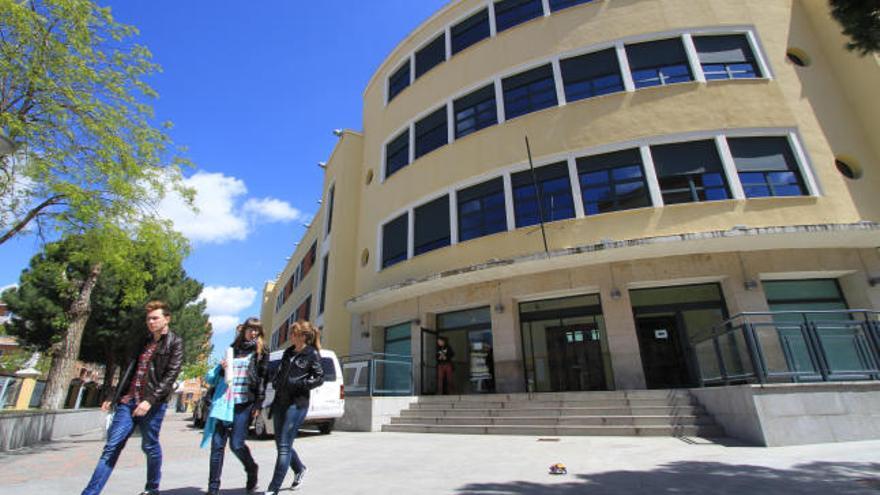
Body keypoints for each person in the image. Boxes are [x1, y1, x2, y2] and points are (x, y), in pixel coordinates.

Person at [82, 300, 184, 495]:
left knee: (150, 446)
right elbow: (129, 370)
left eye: (155, 318)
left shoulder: (175, 342)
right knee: (111, 447)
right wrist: (114, 395)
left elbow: (171, 375)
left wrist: (150, 400)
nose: (151, 322)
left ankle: (152, 487)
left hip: (153, 405)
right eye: (148, 319)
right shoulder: (142, 342)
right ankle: (89, 493)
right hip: (128, 402)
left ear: (167, 319)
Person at [201, 317, 268, 494]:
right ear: (244, 330)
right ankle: (213, 488)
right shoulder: (232, 349)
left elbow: (262, 379)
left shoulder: (261, 352)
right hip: (224, 401)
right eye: (250, 329)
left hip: (244, 403)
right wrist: (223, 367)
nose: (253, 333)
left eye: (257, 330)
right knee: (217, 446)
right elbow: (222, 376)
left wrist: (258, 403)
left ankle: (251, 469)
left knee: (237, 444)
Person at [266, 321, 324, 494]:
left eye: (294, 334)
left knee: (284, 445)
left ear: (303, 336)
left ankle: (273, 488)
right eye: (291, 333)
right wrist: (277, 381)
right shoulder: (288, 352)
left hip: (297, 404)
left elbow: (319, 377)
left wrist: (299, 384)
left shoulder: (311, 354)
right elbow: (280, 372)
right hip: (280, 402)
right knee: (281, 444)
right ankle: (299, 469)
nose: (291, 337)